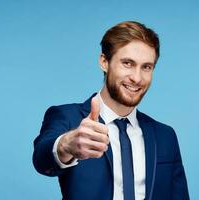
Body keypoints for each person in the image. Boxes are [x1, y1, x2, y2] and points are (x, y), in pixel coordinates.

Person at [33, 21, 189, 200]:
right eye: (128, 63)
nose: (137, 78)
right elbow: (42, 160)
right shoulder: (68, 117)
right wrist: (66, 145)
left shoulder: (165, 136)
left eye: (146, 67)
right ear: (104, 62)